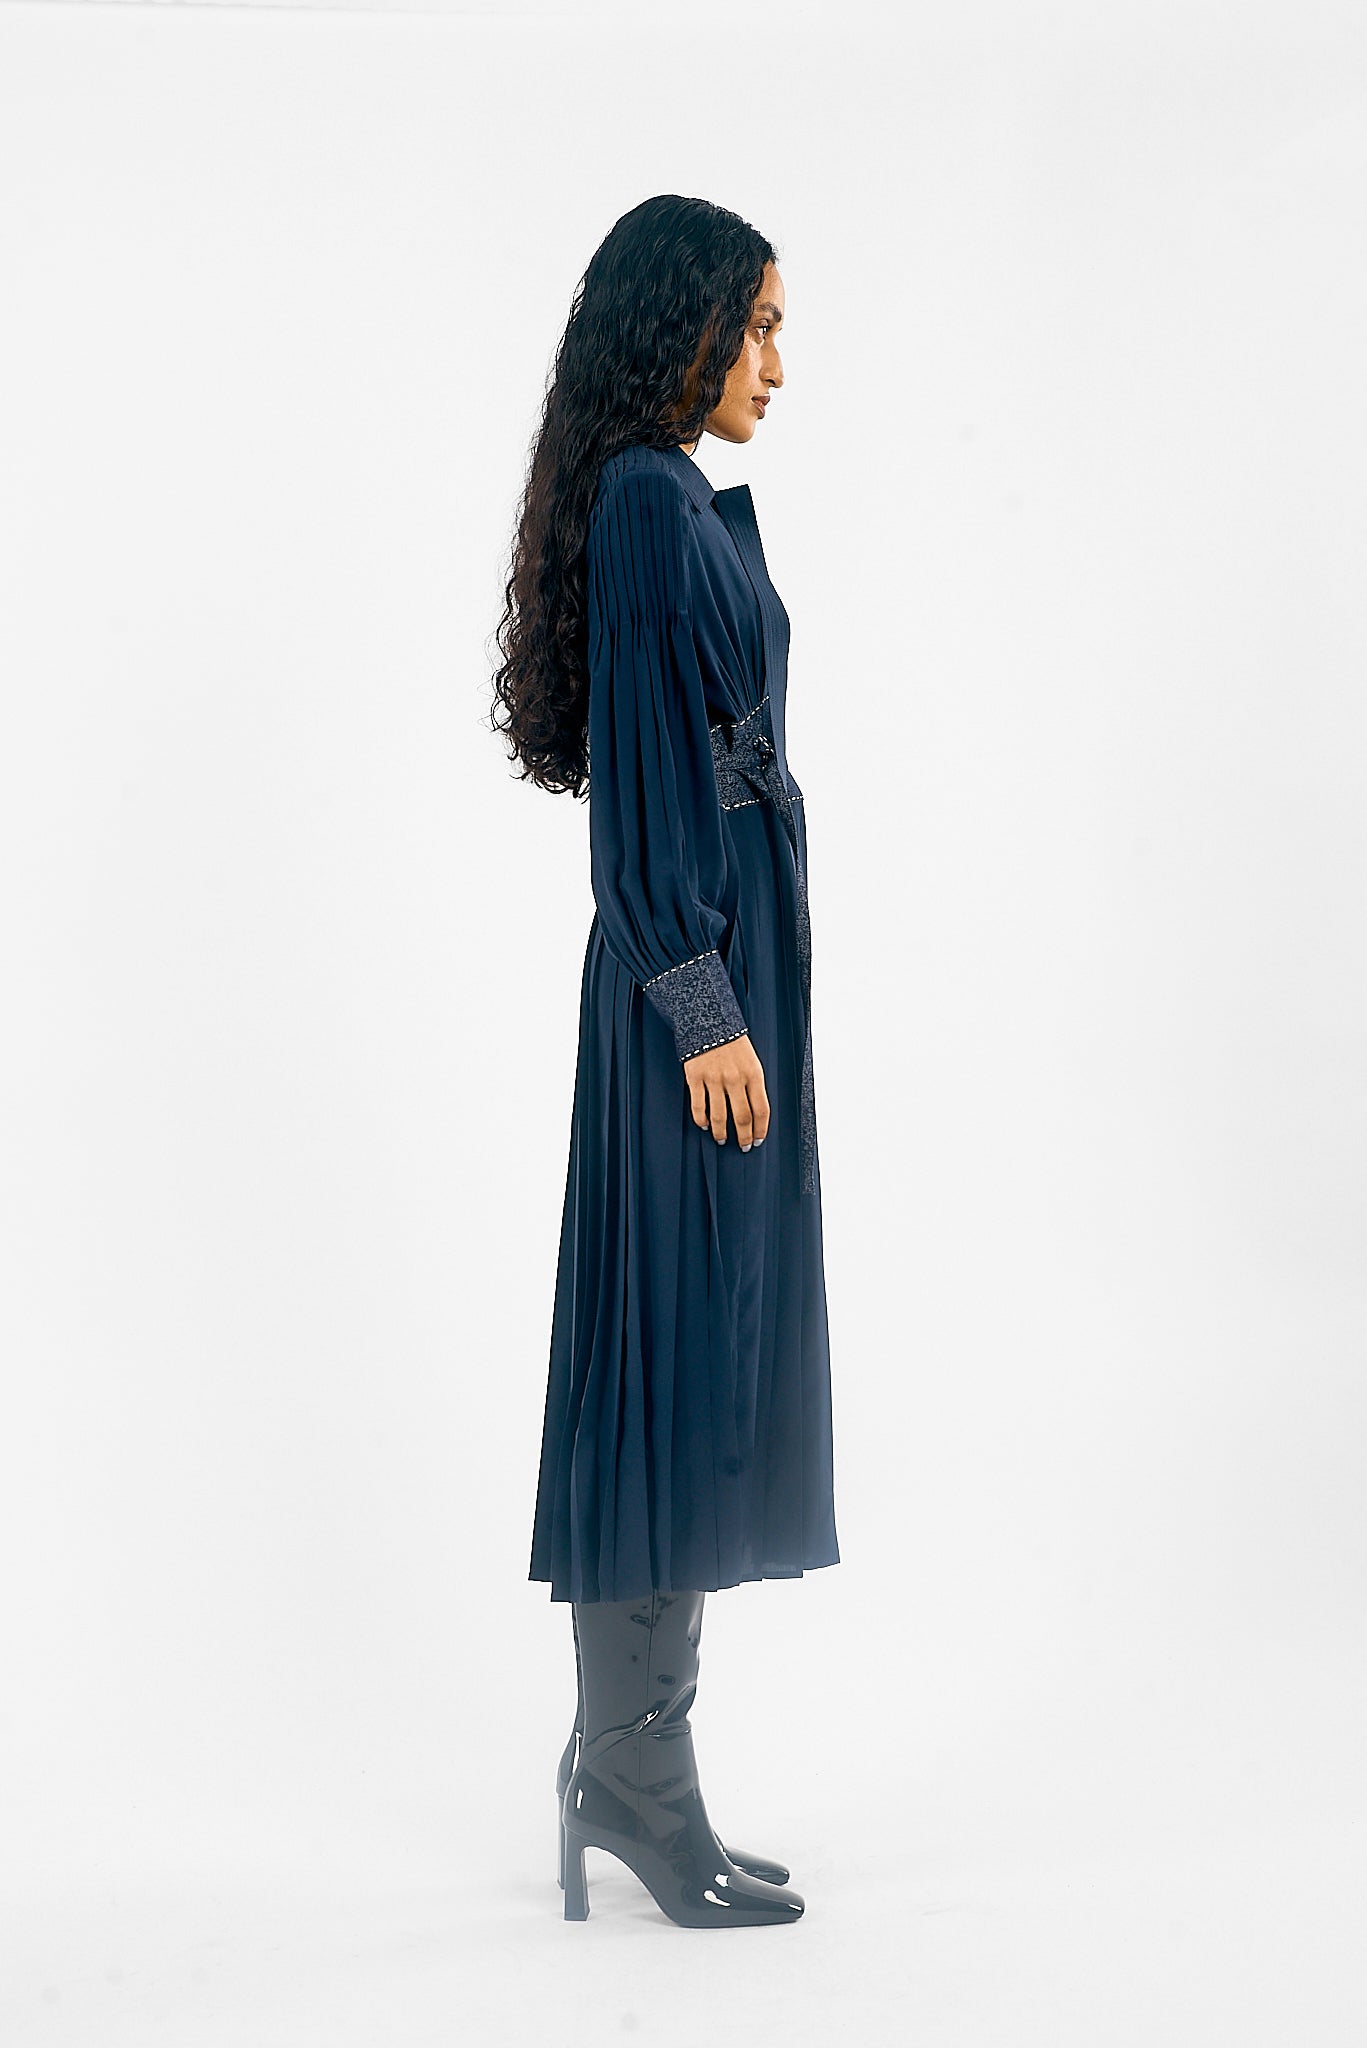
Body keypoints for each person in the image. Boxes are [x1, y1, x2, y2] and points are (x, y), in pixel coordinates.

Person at [489, 194, 839, 1928]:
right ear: (679, 325)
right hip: (683, 977)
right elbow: (639, 773)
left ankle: (634, 1768)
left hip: (724, 951)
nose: (777, 363)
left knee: (701, 1342)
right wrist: (700, 1000)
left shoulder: (667, 492)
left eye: (779, 330)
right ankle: (633, 1775)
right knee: (668, 1343)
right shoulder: (642, 497)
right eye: (754, 326)